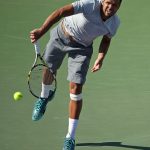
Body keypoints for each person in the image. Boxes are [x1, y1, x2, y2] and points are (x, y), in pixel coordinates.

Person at [30, 0, 122, 149]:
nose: (111, 7)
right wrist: (42, 31)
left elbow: (106, 40)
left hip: (82, 49)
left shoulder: (114, 23)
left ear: (119, 6)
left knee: (76, 89)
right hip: (61, 35)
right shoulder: (89, 4)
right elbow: (61, 12)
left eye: (115, 5)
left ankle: (70, 138)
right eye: (108, 2)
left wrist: (101, 57)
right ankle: (44, 96)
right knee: (48, 70)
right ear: (103, 1)